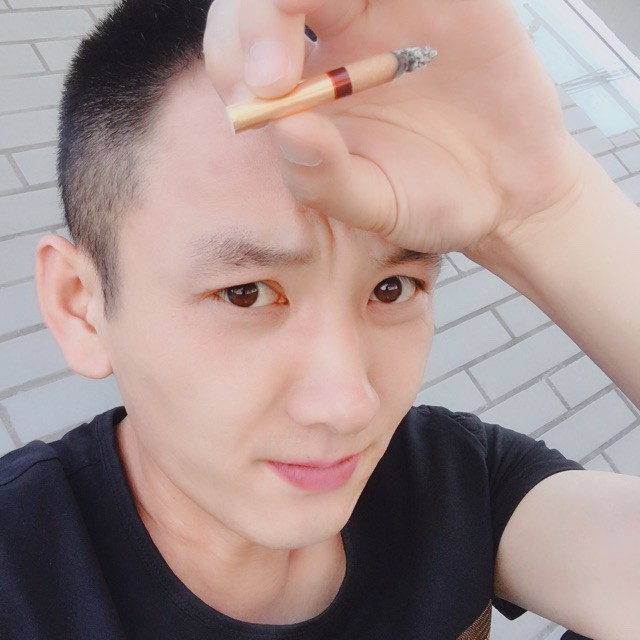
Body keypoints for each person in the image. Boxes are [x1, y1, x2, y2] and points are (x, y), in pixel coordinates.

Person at [1, 0, 638, 638]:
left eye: (392, 288)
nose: (348, 406)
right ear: (80, 307)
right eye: (245, 293)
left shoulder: (456, 479)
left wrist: (544, 209)